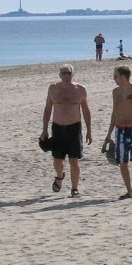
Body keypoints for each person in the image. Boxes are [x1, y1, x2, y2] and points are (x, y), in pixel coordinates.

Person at [42, 65, 93, 198]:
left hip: (74, 128)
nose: (66, 75)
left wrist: (89, 131)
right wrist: (44, 130)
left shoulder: (80, 89)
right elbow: (48, 109)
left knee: (74, 161)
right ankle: (60, 176)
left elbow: (86, 111)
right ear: (59, 75)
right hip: (58, 128)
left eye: (68, 73)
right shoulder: (53, 89)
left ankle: (74, 188)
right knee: (57, 160)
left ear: (73, 74)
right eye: (63, 73)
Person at [106, 65, 132, 199]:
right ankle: (129, 191)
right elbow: (114, 113)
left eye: (115, 76)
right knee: (122, 162)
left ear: (123, 77)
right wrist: (109, 134)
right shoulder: (116, 92)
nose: (114, 79)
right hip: (120, 130)